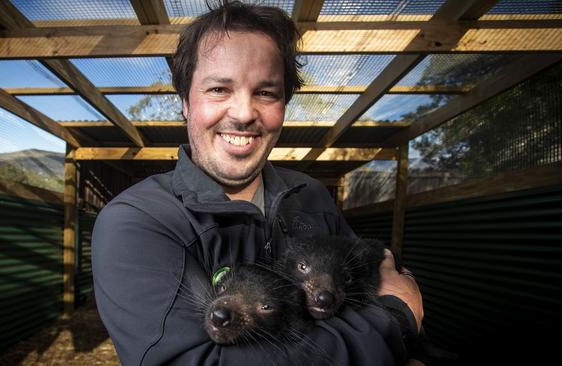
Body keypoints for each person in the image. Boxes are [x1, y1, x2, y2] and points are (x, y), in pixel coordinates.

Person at [92, 1, 424, 365]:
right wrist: (394, 321)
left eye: (266, 92)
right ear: (185, 101)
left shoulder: (311, 195)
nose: (244, 112)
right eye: (219, 89)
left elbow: (367, 282)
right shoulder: (137, 222)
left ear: (284, 105)